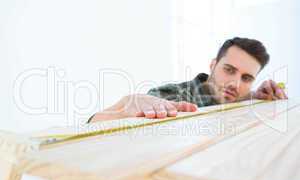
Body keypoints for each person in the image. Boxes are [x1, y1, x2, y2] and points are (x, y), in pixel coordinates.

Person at [88, 37, 287, 123]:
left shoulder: (240, 98)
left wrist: (255, 96)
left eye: (246, 78)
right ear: (212, 65)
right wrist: (121, 109)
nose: (235, 84)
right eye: (229, 70)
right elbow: (91, 132)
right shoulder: (177, 96)